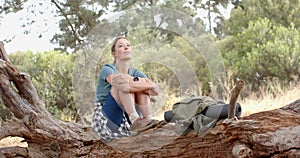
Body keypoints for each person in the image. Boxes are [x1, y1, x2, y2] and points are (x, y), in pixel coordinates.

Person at [92, 36, 159, 142]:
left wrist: (144, 85)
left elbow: (155, 91)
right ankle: (135, 120)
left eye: (128, 45)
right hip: (108, 118)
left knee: (138, 85)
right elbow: (122, 86)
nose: (126, 48)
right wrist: (145, 84)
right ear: (114, 54)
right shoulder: (107, 69)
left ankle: (148, 121)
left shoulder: (135, 72)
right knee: (121, 84)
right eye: (121, 46)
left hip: (126, 121)